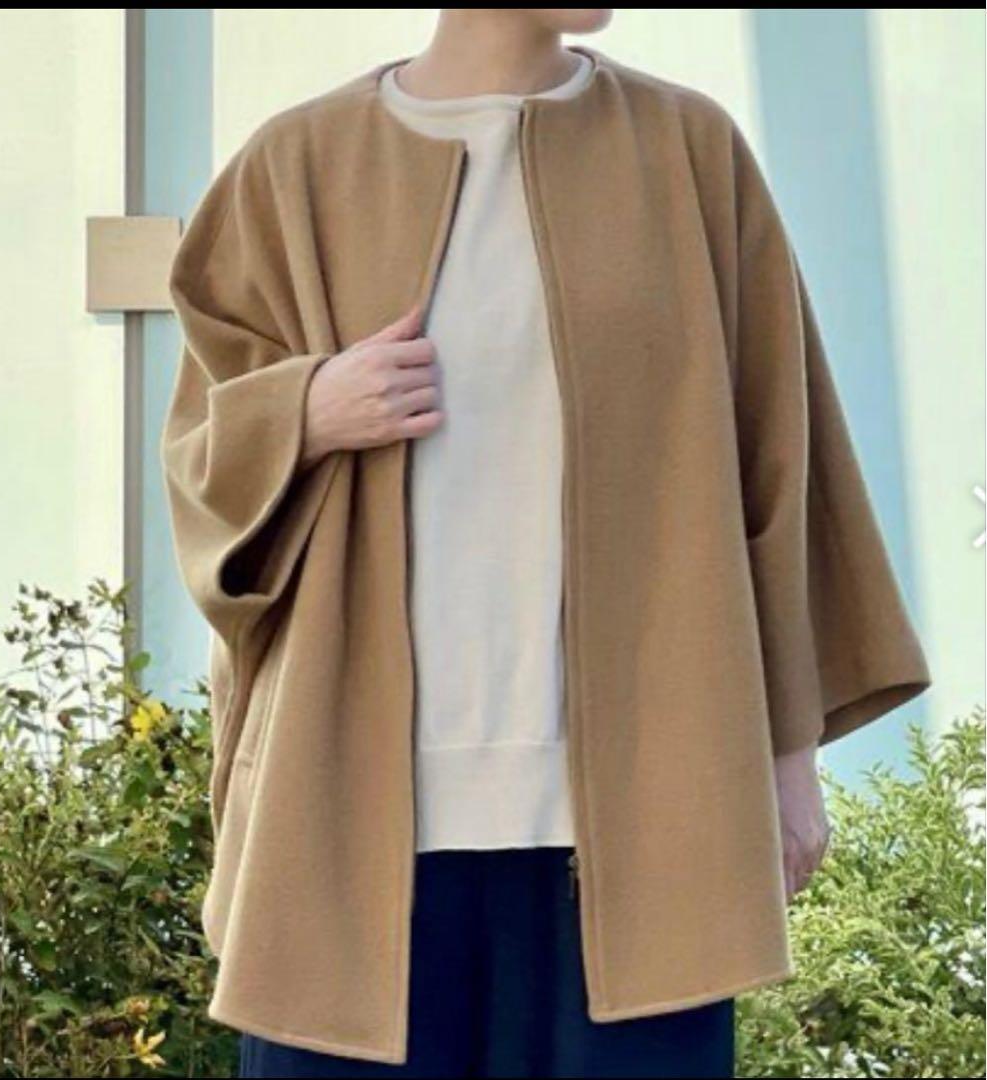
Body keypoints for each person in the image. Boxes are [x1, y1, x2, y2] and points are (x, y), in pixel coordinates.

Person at [160, 10, 932, 1080]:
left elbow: (781, 464)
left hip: (637, 816)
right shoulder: (297, 165)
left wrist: (787, 762)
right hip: (353, 819)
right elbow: (199, 463)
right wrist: (306, 409)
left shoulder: (687, 151)